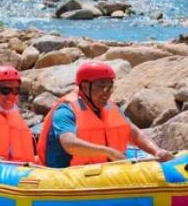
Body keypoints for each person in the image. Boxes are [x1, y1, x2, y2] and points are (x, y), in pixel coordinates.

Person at [37, 61, 174, 167]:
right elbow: (69, 143)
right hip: (67, 174)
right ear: (85, 87)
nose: (107, 92)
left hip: (106, 171)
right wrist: (108, 152)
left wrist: (157, 151)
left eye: (110, 86)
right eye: (102, 86)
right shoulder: (65, 110)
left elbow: (134, 133)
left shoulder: (110, 107)